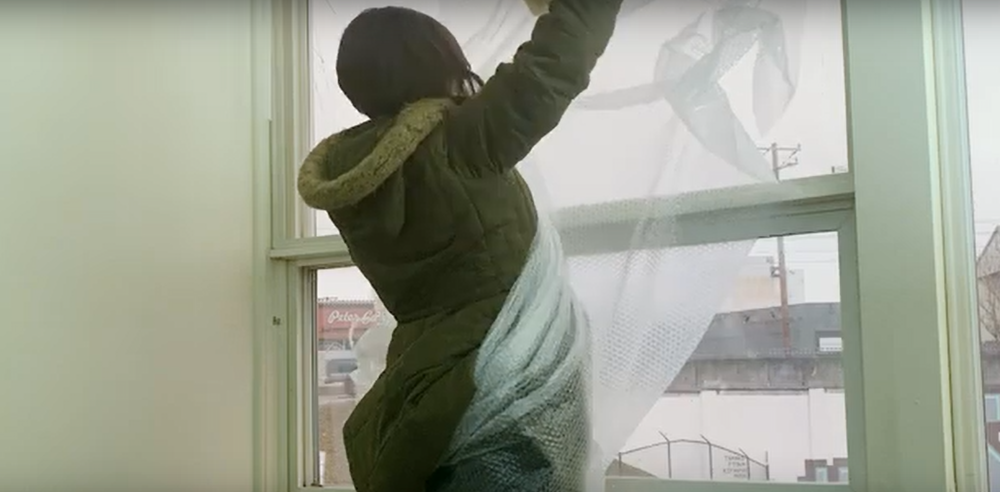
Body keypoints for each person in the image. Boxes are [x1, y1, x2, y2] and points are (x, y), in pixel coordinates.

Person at [297, 0, 623, 490]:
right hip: (505, 368)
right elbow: (554, 65)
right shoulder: (460, 142)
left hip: (429, 369)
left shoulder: (353, 181)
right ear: (434, 64)